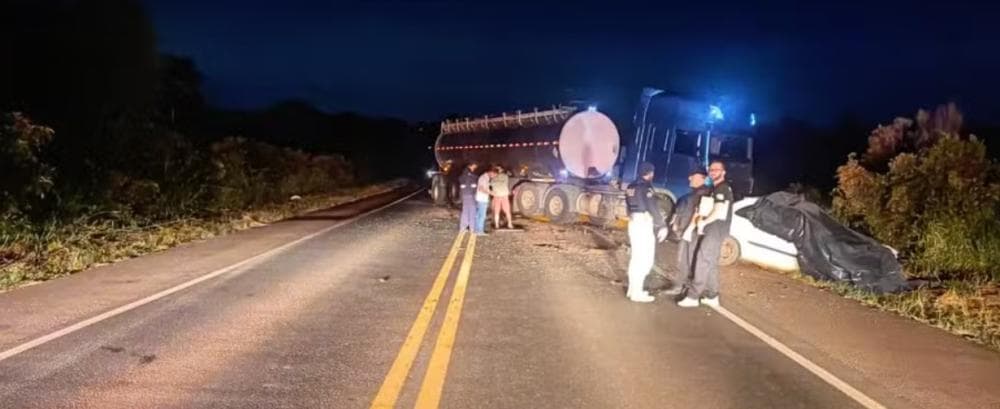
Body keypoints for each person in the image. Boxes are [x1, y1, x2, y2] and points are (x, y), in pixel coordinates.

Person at [678, 160, 733, 308]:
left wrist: (704, 222)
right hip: (715, 231)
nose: (713, 172)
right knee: (710, 263)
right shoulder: (716, 189)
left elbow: (719, 210)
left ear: (723, 172)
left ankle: (693, 297)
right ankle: (712, 295)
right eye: (711, 169)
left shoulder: (722, 188)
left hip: (715, 231)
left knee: (702, 261)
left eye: (717, 169)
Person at [624, 162, 669, 303]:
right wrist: (662, 225)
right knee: (645, 259)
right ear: (650, 173)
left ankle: (633, 289)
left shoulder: (630, 186)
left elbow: (628, 206)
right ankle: (637, 293)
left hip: (633, 222)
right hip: (643, 223)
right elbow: (652, 207)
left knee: (636, 257)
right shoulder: (646, 187)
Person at [661, 168, 710, 296]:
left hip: (692, 233)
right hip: (688, 232)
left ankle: (680, 286)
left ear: (702, 178)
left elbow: (699, 214)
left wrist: (688, 229)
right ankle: (685, 285)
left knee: (684, 260)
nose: (689, 178)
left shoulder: (704, 194)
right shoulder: (693, 194)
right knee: (686, 260)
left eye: (693, 176)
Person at [458, 163, 479, 233]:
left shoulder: (462, 176)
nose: (475, 167)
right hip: (471, 195)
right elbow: (474, 185)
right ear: (470, 166)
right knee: (472, 211)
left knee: (465, 211)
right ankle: (472, 228)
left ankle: (463, 228)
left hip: (464, 195)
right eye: (474, 166)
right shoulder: (472, 176)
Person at [474, 167, 494, 235]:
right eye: (494, 175)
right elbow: (481, 188)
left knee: (478, 214)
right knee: (482, 215)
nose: (494, 176)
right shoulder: (484, 178)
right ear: (491, 172)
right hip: (482, 198)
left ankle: (476, 229)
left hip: (480, 198)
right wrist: (490, 193)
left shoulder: (486, 178)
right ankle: (480, 231)